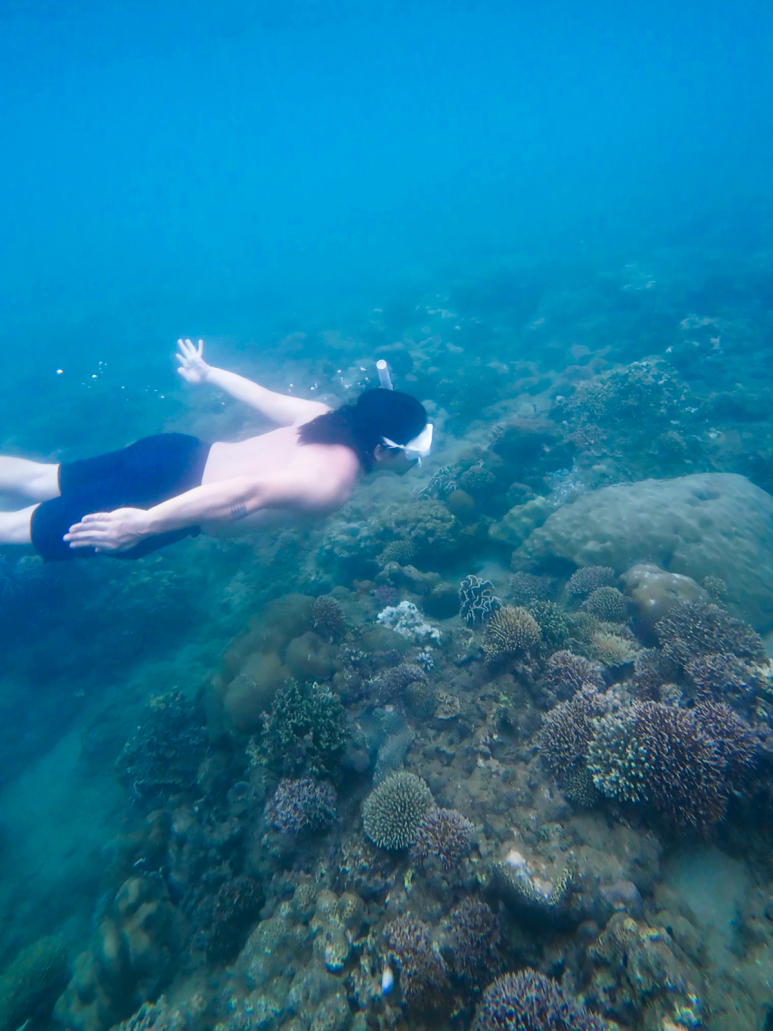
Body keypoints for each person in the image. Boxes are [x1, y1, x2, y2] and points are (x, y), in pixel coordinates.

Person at [0, 339, 432, 560]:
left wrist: (209, 373)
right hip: (168, 495)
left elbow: (262, 396)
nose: (415, 461)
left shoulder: (325, 416)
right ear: (380, 450)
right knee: (16, 528)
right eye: (412, 453)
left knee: (42, 477)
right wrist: (145, 523)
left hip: (175, 452)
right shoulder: (332, 483)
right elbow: (246, 492)